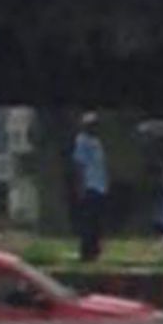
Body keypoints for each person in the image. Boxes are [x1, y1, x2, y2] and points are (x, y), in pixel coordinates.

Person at [72, 112, 108, 262]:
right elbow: (79, 165)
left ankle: (95, 251)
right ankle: (86, 252)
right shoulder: (82, 141)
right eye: (91, 125)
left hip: (100, 185)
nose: (94, 128)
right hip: (89, 185)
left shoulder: (97, 142)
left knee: (97, 222)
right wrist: (80, 186)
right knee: (88, 221)